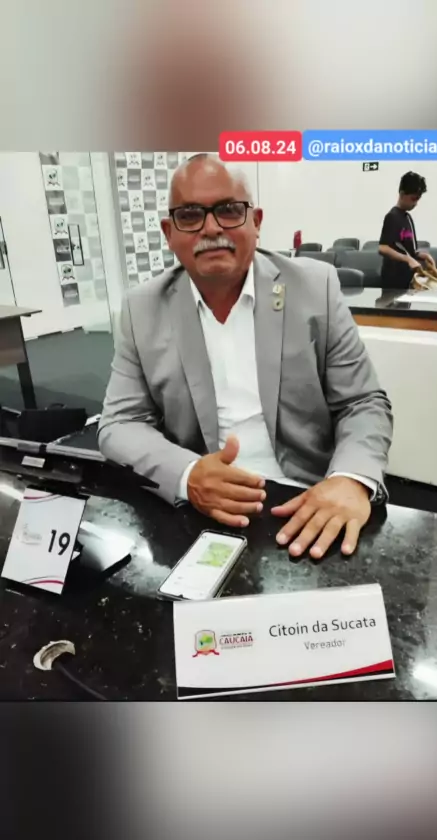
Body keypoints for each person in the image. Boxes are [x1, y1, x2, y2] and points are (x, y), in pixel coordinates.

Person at [99, 154, 393, 559]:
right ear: (169, 232)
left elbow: (363, 402)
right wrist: (186, 474)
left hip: (308, 497)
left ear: (256, 221)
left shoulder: (315, 288)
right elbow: (119, 423)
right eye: (190, 215)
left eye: (228, 210)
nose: (211, 228)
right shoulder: (142, 308)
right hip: (202, 505)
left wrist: (350, 478)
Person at [379, 171, 436, 289]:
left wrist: (422, 255)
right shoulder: (392, 216)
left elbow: (407, 249)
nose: (415, 203)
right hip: (393, 279)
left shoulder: (407, 217)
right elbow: (383, 248)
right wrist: (408, 259)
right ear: (402, 194)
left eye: (418, 199)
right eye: (413, 199)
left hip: (407, 278)